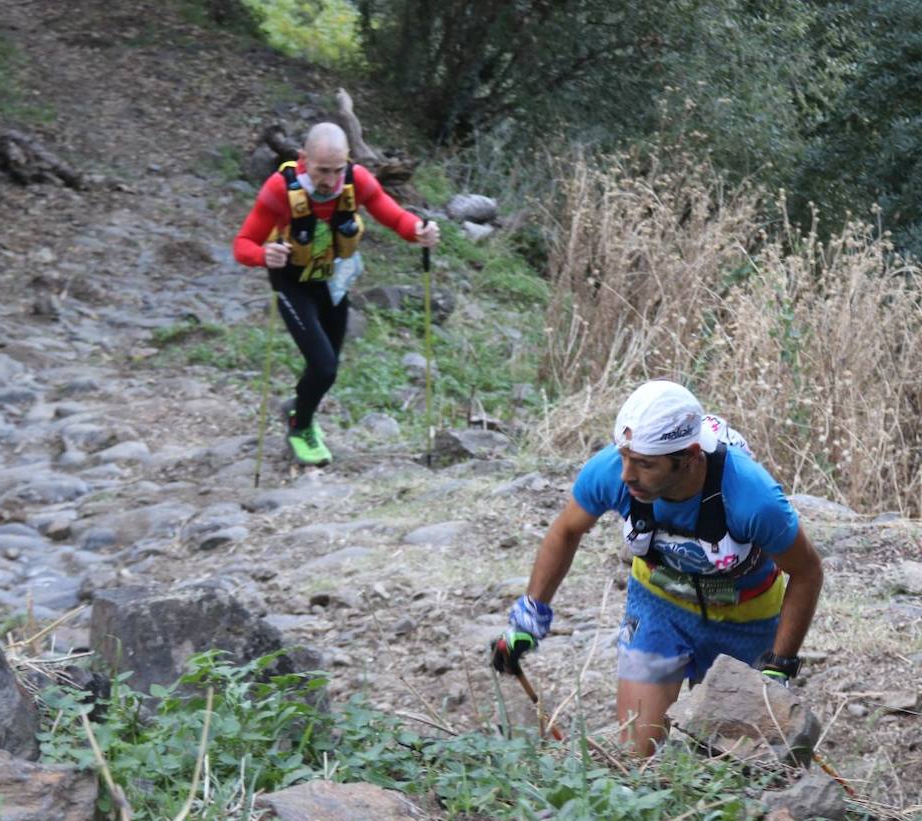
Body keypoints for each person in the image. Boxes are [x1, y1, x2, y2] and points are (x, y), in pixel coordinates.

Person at [490, 380, 823, 756]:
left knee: (731, 769)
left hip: (746, 620)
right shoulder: (613, 470)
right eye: (625, 456)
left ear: (691, 456)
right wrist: (530, 616)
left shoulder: (752, 498)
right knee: (637, 753)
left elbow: (808, 572)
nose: (627, 475)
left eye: (646, 464)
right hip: (659, 608)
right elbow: (566, 531)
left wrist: (779, 666)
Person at [233, 122, 439, 466]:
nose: (330, 179)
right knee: (324, 366)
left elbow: (394, 216)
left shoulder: (356, 181)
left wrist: (419, 231)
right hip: (292, 282)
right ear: (303, 160)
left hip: (333, 282)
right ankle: (300, 427)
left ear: (348, 161)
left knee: (328, 365)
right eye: (322, 170)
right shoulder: (279, 189)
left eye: (337, 169)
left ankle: (297, 408)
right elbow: (242, 245)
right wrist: (262, 255)